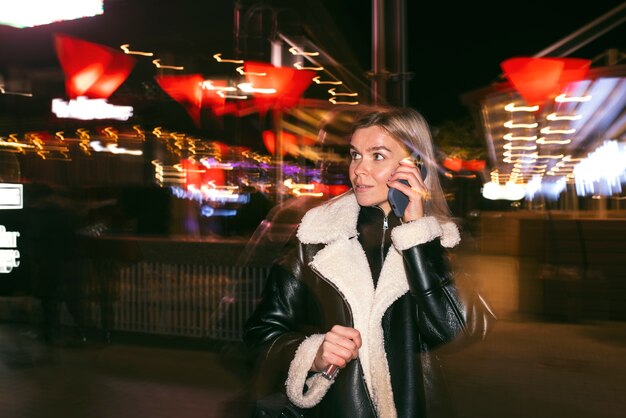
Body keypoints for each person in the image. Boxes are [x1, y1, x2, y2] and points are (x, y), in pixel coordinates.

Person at [243, 106, 496, 418]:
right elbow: (259, 334)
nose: (358, 169)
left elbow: (454, 332)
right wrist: (313, 353)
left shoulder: (442, 241)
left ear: (414, 165)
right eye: (354, 155)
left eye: (377, 156)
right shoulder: (315, 234)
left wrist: (417, 235)